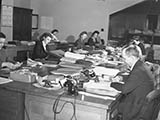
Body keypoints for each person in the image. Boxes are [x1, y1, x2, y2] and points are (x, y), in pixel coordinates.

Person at [110, 45, 154, 120]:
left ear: (132, 58)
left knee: (112, 106)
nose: (124, 61)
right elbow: (134, 78)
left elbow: (124, 90)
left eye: (125, 58)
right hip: (141, 101)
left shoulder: (138, 70)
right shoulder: (140, 65)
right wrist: (121, 78)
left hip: (137, 106)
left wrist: (111, 84)